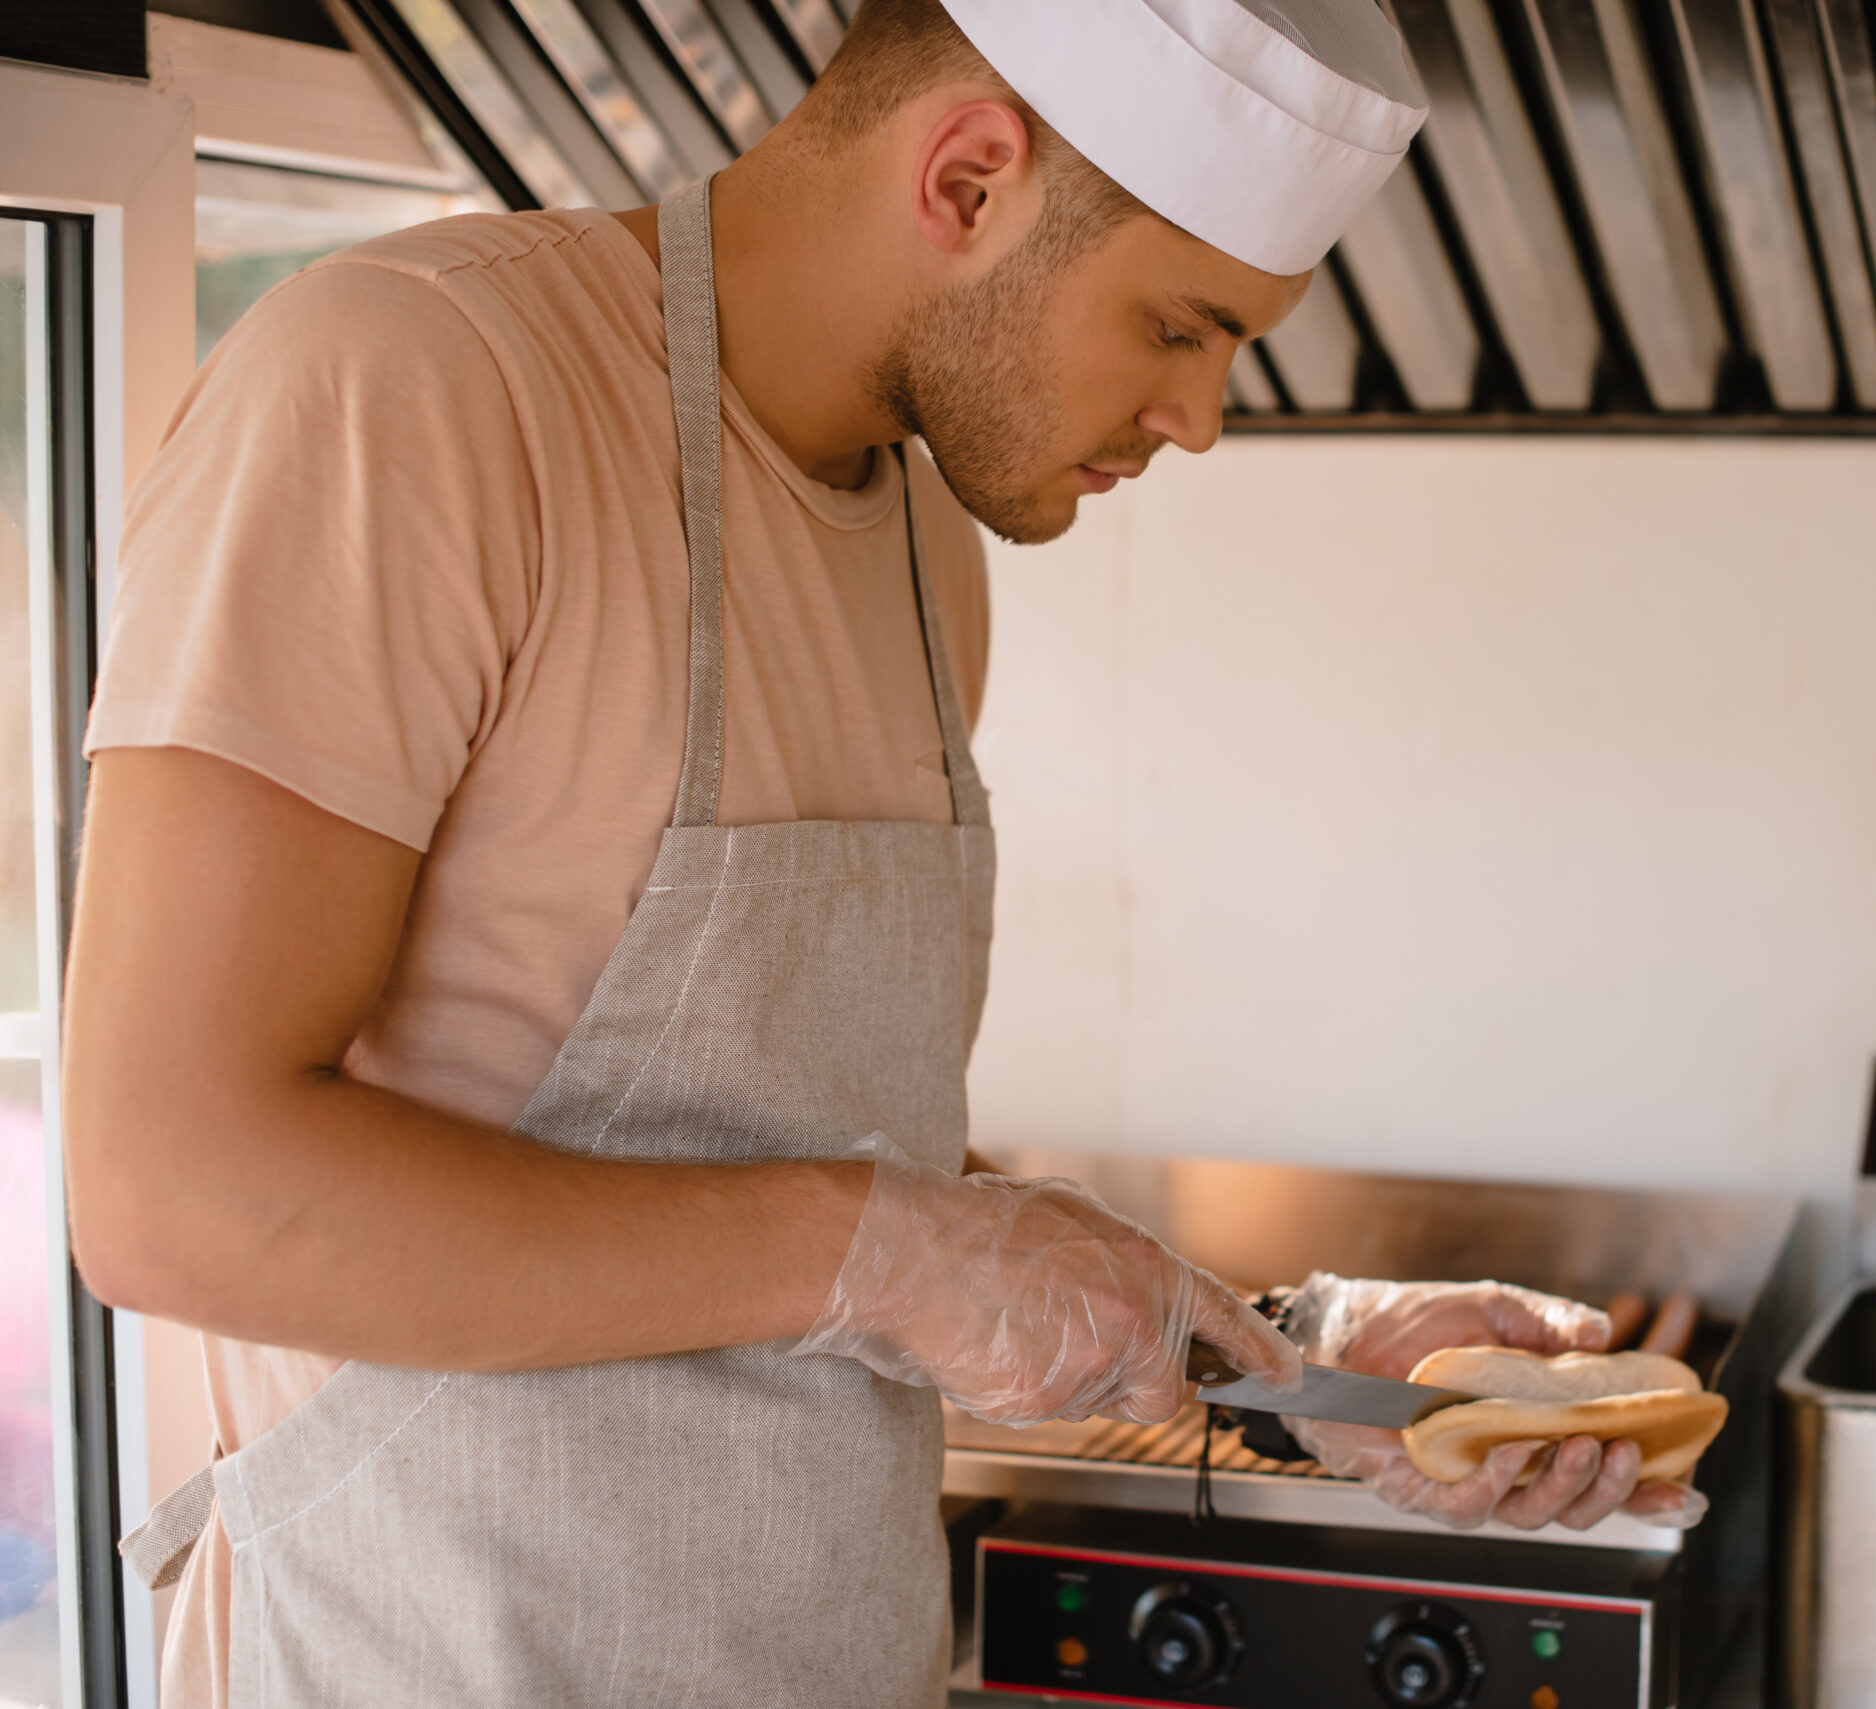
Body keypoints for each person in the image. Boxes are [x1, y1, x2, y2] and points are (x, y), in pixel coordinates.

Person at [61, 2, 1693, 1704]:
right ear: (973, 175)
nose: (1204, 417)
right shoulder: (416, 387)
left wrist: (1298, 1354)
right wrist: (895, 1250)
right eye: (1181, 325)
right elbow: (177, 1189)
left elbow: (837, 1208)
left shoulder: (926, 544)